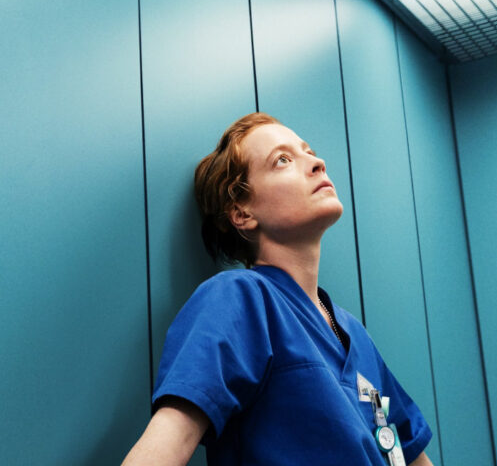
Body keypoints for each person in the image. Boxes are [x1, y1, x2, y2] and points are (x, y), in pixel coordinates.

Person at [122, 113, 434, 466]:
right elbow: (166, 445)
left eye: (309, 152)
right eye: (282, 160)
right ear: (241, 213)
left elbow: (412, 456)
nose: (317, 163)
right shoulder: (240, 299)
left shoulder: (355, 335)